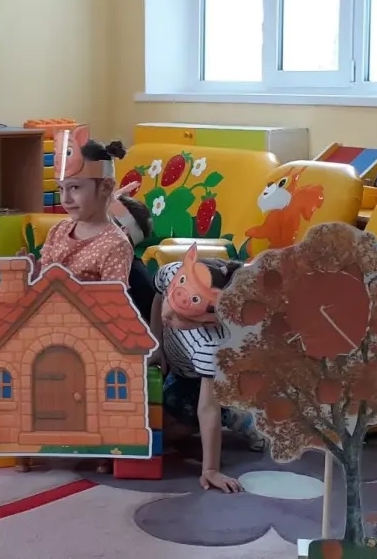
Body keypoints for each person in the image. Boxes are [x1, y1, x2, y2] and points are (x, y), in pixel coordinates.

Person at [152, 246, 265, 494]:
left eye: (179, 317)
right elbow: (160, 295)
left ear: (209, 321)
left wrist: (210, 470)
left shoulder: (210, 345)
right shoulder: (171, 272)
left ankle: (236, 414)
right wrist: (157, 343)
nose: (167, 314)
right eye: (172, 299)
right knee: (148, 425)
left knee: (161, 435)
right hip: (180, 369)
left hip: (208, 380)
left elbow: (207, 407)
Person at [37, 138, 134, 285]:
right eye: (61, 188)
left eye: (74, 187)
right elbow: (43, 282)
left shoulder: (115, 245)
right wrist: (31, 273)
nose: (65, 199)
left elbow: (112, 297)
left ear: (106, 187)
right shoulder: (58, 231)